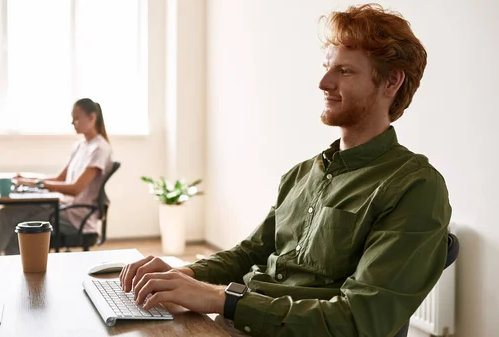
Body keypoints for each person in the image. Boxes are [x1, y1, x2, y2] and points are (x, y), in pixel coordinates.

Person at [119, 4, 451, 336]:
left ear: (391, 81)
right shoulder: (302, 174)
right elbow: (249, 253)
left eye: (345, 71)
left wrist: (222, 299)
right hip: (233, 323)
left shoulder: (415, 187)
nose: (323, 82)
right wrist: (184, 275)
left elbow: (359, 318)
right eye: (326, 67)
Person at [0, 98, 114, 255]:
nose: (72, 123)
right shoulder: (80, 146)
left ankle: (12, 267)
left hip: (75, 217)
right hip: (61, 207)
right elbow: (60, 179)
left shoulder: (100, 149)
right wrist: (29, 181)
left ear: (92, 118)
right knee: (6, 214)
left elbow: (75, 189)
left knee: (21, 226)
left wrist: (38, 184)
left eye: (76, 118)